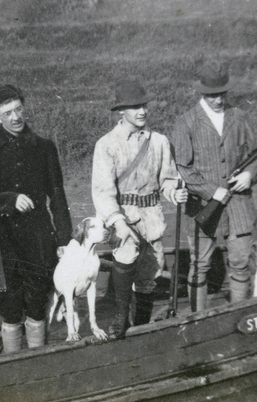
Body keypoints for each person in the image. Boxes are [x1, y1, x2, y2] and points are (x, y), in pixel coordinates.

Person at [0, 85, 73, 353]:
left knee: (37, 303)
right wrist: (8, 199)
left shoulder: (44, 148)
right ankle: (11, 365)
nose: (15, 117)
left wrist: (63, 240)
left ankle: (39, 361)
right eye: (7, 113)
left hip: (37, 238)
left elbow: (57, 197)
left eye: (18, 110)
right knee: (9, 308)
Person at [92, 79, 188, 339]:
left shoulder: (159, 142)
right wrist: (118, 222)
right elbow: (103, 191)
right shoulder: (107, 145)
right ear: (121, 111)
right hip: (124, 218)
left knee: (149, 276)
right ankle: (121, 319)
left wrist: (174, 192)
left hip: (152, 218)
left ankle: (142, 326)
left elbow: (168, 179)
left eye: (143, 105)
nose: (141, 111)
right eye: (134, 107)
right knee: (124, 258)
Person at [169, 60, 257, 312]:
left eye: (222, 93)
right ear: (202, 92)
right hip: (203, 208)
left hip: (238, 206)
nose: (218, 100)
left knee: (240, 263)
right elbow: (183, 168)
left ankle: (238, 318)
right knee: (199, 266)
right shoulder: (186, 123)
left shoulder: (240, 117)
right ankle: (198, 321)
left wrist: (248, 174)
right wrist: (212, 191)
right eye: (212, 95)